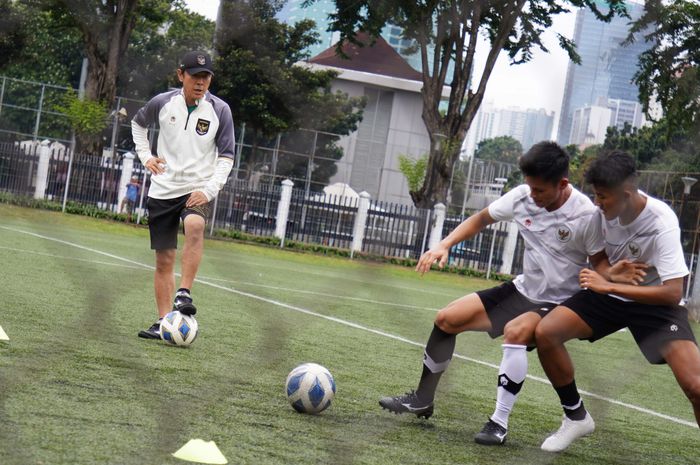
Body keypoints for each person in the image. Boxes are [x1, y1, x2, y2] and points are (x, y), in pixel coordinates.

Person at [378, 142, 642, 445]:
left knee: (515, 332)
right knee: (447, 319)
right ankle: (422, 399)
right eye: (530, 187)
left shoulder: (586, 215)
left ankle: (498, 423)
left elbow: (599, 264)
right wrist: (443, 245)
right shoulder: (521, 197)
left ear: (562, 184)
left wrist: (612, 274)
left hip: (558, 302)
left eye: (540, 190)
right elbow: (481, 219)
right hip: (522, 290)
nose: (533, 195)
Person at [532, 150, 700, 452]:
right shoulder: (600, 217)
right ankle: (575, 416)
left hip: (656, 306)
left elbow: (673, 292)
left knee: (696, 387)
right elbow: (598, 258)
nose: (597, 202)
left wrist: (607, 284)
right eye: (595, 195)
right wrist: (610, 275)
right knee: (546, 332)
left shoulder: (662, 222)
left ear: (626, 194)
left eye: (603, 197)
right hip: (609, 297)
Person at [131, 50, 235, 339]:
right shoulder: (162, 102)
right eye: (195, 76)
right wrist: (145, 156)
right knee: (164, 260)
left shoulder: (220, 110)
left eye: (206, 77)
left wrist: (209, 190)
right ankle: (165, 322)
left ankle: (184, 293)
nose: (201, 82)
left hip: (197, 188)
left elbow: (227, 156)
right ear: (181, 75)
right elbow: (137, 125)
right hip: (163, 188)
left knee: (195, 225)